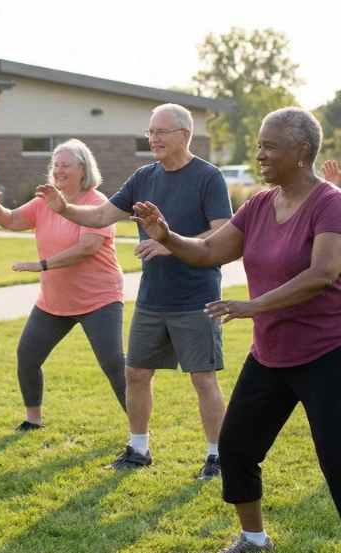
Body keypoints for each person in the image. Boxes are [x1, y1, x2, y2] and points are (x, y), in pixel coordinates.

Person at [133, 108, 341, 553]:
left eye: (269, 146)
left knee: (336, 459)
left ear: (301, 151)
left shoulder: (330, 203)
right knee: (237, 448)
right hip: (271, 354)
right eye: (260, 145)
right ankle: (253, 539)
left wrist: (255, 305)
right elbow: (209, 250)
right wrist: (168, 236)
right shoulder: (261, 204)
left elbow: (323, 274)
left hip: (327, 352)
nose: (259, 154)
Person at [36, 103, 233, 479]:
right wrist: (64, 208)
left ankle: (217, 457)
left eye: (161, 132)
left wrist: (169, 242)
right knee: (136, 374)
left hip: (195, 294)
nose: (153, 139)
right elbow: (98, 216)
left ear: (185, 135)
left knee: (202, 378)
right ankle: (138, 450)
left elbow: (222, 233)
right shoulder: (143, 176)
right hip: (152, 297)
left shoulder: (208, 177)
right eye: (150, 132)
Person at [0, 139, 126, 431]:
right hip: (54, 301)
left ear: (83, 169)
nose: (58, 170)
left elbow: (87, 248)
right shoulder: (46, 200)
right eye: (55, 165)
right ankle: (34, 420)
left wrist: (41, 264)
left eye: (65, 165)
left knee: (112, 363)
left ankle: (139, 432)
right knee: (28, 355)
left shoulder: (97, 204)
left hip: (99, 299)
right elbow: (12, 220)